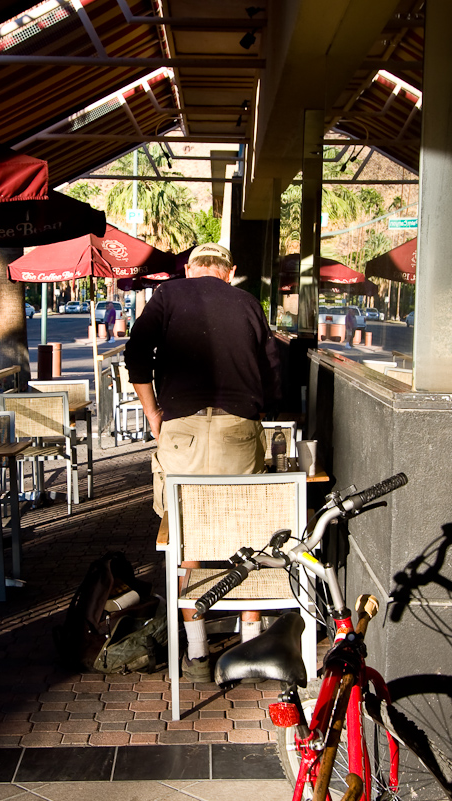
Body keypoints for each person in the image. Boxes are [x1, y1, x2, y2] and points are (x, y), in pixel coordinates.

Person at [125, 242, 281, 682]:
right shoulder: (249, 303)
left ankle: (196, 653)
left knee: (185, 538)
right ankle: (250, 647)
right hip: (238, 428)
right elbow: (272, 374)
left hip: (182, 430)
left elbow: (136, 355)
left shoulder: (168, 295)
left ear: (190, 269)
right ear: (228, 273)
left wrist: (154, 413)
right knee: (245, 535)